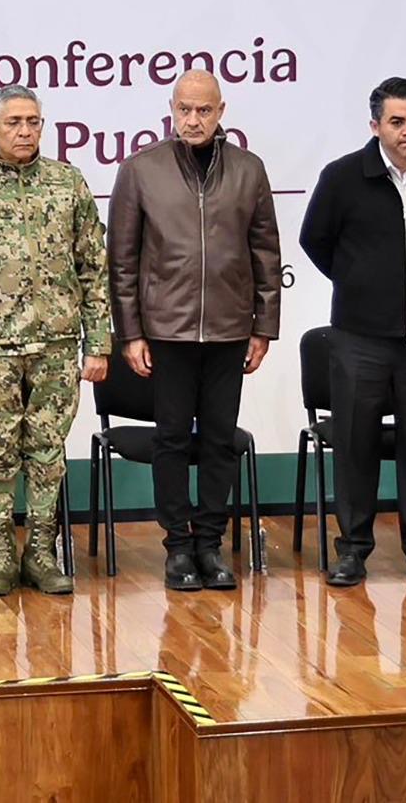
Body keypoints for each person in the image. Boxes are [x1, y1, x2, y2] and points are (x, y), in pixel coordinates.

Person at [0, 84, 111, 597]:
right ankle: (1, 554)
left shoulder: (67, 183)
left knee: (48, 452)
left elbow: (94, 268)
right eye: (13, 122)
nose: (25, 131)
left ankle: (42, 553)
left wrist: (98, 342)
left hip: (56, 344)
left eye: (33, 121)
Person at [106, 70, 280, 593]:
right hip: (167, 332)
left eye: (204, 110)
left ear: (221, 112)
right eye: (184, 109)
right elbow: (122, 260)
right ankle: (178, 547)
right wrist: (130, 333)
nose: (193, 120)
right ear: (171, 109)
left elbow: (265, 253)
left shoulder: (249, 169)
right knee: (172, 440)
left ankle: (210, 544)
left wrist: (263, 326)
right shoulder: (141, 169)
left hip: (230, 331)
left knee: (220, 441)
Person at [299, 76, 406, 588]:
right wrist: (360, 282)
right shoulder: (343, 177)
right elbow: (316, 240)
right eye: (397, 122)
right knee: (355, 443)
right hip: (359, 338)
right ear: (375, 125)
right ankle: (353, 550)